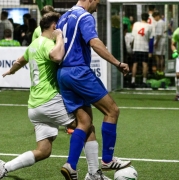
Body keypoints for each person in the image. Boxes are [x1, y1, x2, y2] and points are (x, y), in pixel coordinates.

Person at [0, 12, 111, 180]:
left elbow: (20, 60)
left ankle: (3, 168)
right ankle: (93, 174)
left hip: (34, 107)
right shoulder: (47, 43)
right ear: (54, 27)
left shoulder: (34, 44)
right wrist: (60, 37)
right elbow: (57, 55)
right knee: (86, 124)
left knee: (44, 150)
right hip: (49, 100)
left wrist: (11, 71)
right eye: (59, 27)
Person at [56, 0, 131, 179]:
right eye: (97, 1)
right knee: (112, 110)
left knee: (85, 122)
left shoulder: (63, 17)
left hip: (63, 73)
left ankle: (71, 165)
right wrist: (117, 63)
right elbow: (94, 43)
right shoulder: (85, 16)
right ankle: (107, 159)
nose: (98, 6)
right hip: (78, 71)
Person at [130, 12, 153, 88]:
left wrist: (132, 45)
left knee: (135, 64)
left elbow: (133, 36)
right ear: (148, 18)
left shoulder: (136, 24)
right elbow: (150, 38)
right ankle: (144, 81)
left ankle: (133, 81)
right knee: (145, 64)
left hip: (136, 47)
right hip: (144, 48)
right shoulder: (149, 26)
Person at [153, 11, 166, 75]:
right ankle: (161, 70)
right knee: (161, 56)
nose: (154, 19)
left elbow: (159, 34)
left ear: (157, 16)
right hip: (162, 40)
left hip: (160, 41)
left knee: (158, 56)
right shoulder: (163, 22)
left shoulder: (159, 23)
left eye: (154, 17)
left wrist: (156, 43)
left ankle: (159, 70)